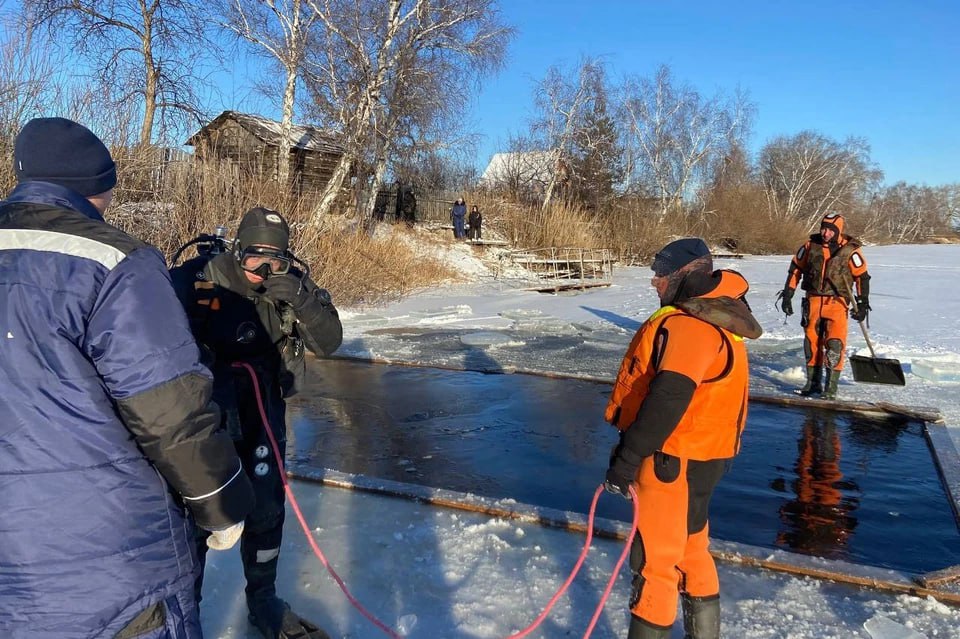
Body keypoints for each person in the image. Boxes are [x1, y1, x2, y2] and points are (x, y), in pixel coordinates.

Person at [0, 117, 254, 639]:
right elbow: (167, 407)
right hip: (104, 556)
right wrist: (219, 500)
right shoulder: (115, 259)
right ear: (98, 186)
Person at [170, 207, 343, 639]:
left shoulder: (292, 287)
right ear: (237, 250)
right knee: (196, 514)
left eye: (276, 261)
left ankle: (262, 598)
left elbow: (330, 341)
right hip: (206, 411)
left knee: (267, 506)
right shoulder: (198, 278)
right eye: (254, 259)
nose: (264, 270)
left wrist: (302, 300)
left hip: (263, 404)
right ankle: (185, 608)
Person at [602, 238, 762, 639]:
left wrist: (626, 458)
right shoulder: (719, 316)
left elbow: (669, 399)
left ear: (682, 275)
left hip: (672, 459)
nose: (654, 282)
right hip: (704, 458)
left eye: (660, 273)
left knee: (656, 562)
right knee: (692, 549)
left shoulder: (690, 325)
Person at [778, 213, 870, 399]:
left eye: (830, 230)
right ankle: (812, 384)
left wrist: (862, 302)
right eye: (823, 228)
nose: (825, 233)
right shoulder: (810, 246)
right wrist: (788, 294)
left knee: (834, 344)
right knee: (811, 343)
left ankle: (831, 388)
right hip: (812, 301)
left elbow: (862, 277)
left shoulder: (851, 250)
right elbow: (795, 269)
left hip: (837, 303)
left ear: (838, 231)